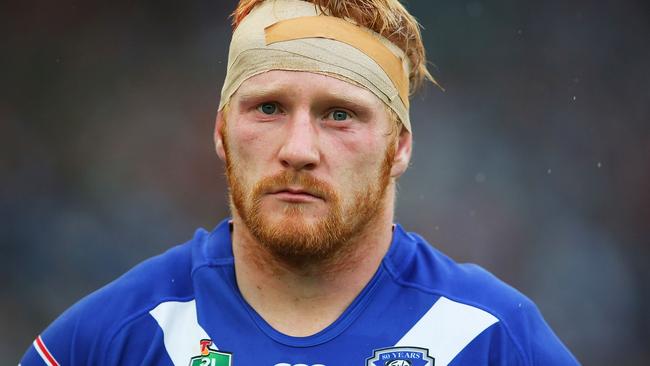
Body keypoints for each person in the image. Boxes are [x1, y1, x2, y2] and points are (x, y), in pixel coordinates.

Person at [21, 0, 579, 365]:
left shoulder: (494, 338)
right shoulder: (110, 339)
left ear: (400, 146)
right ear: (220, 131)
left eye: (340, 114)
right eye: (268, 107)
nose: (298, 150)